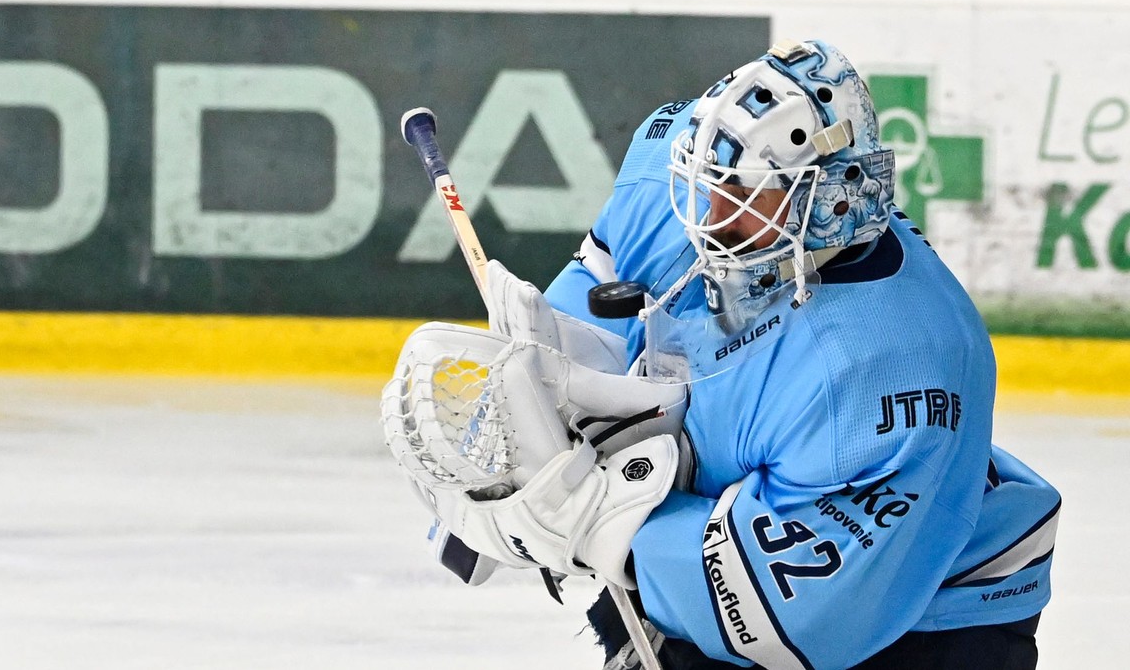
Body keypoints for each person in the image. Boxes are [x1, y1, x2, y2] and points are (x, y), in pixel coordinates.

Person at [385, 39, 1059, 670]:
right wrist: (534, 395)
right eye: (706, 181)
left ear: (831, 199)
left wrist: (595, 520)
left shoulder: (895, 365)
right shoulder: (684, 176)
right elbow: (600, 282)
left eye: (744, 196)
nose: (708, 213)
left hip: (926, 622)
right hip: (746, 518)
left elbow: (792, 616)